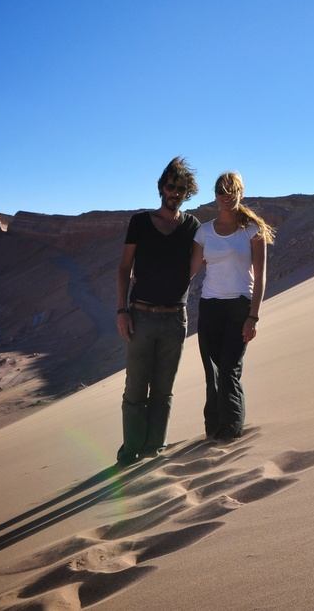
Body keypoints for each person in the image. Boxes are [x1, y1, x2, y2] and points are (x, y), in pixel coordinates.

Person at [114, 157, 200, 466]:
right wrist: (122, 310)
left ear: (187, 192)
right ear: (161, 188)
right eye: (170, 186)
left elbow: (197, 264)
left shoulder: (192, 226)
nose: (174, 193)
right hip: (141, 315)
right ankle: (131, 450)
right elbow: (125, 268)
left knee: (164, 389)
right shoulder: (140, 222)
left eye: (180, 189)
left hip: (175, 318)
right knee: (135, 386)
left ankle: (153, 450)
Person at [192, 171, 273, 441]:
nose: (227, 197)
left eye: (232, 190)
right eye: (221, 191)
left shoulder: (252, 230)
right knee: (212, 370)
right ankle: (213, 427)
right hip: (210, 307)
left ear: (241, 193)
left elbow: (260, 276)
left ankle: (232, 429)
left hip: (239, 306)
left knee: (229, 368)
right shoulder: (204, 232)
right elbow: (189, 271)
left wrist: (254, 316)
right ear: (215, 195)